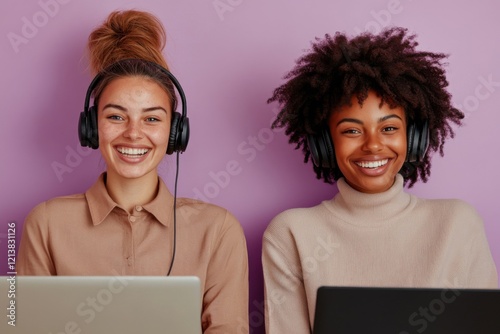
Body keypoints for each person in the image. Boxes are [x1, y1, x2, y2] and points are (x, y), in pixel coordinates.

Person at [17, 10, 249, 333]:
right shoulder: (45, 225)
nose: (133, 134)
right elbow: (25, 325)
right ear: (92, 127)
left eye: (152, 119)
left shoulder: (219, 231)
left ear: (174, 132)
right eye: (116, 117)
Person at [262, 27, 498, 333]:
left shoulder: (458, 223)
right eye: (351, 130)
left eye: (388, 128)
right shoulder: (291, 233)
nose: (373, 145)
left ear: (413, 138)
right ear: (325, 142)